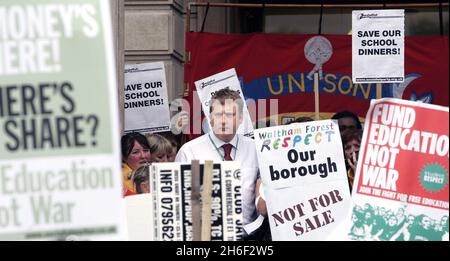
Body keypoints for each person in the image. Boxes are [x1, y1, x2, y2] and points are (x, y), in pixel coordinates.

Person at [175, 88, 259, 237]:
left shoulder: (255, 149)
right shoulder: (189, 152)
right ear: (210, 118)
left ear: (240, 118)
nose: (224, 120)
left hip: (250, 238)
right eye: (218, 114)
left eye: (230, 115)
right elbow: (179, 201)